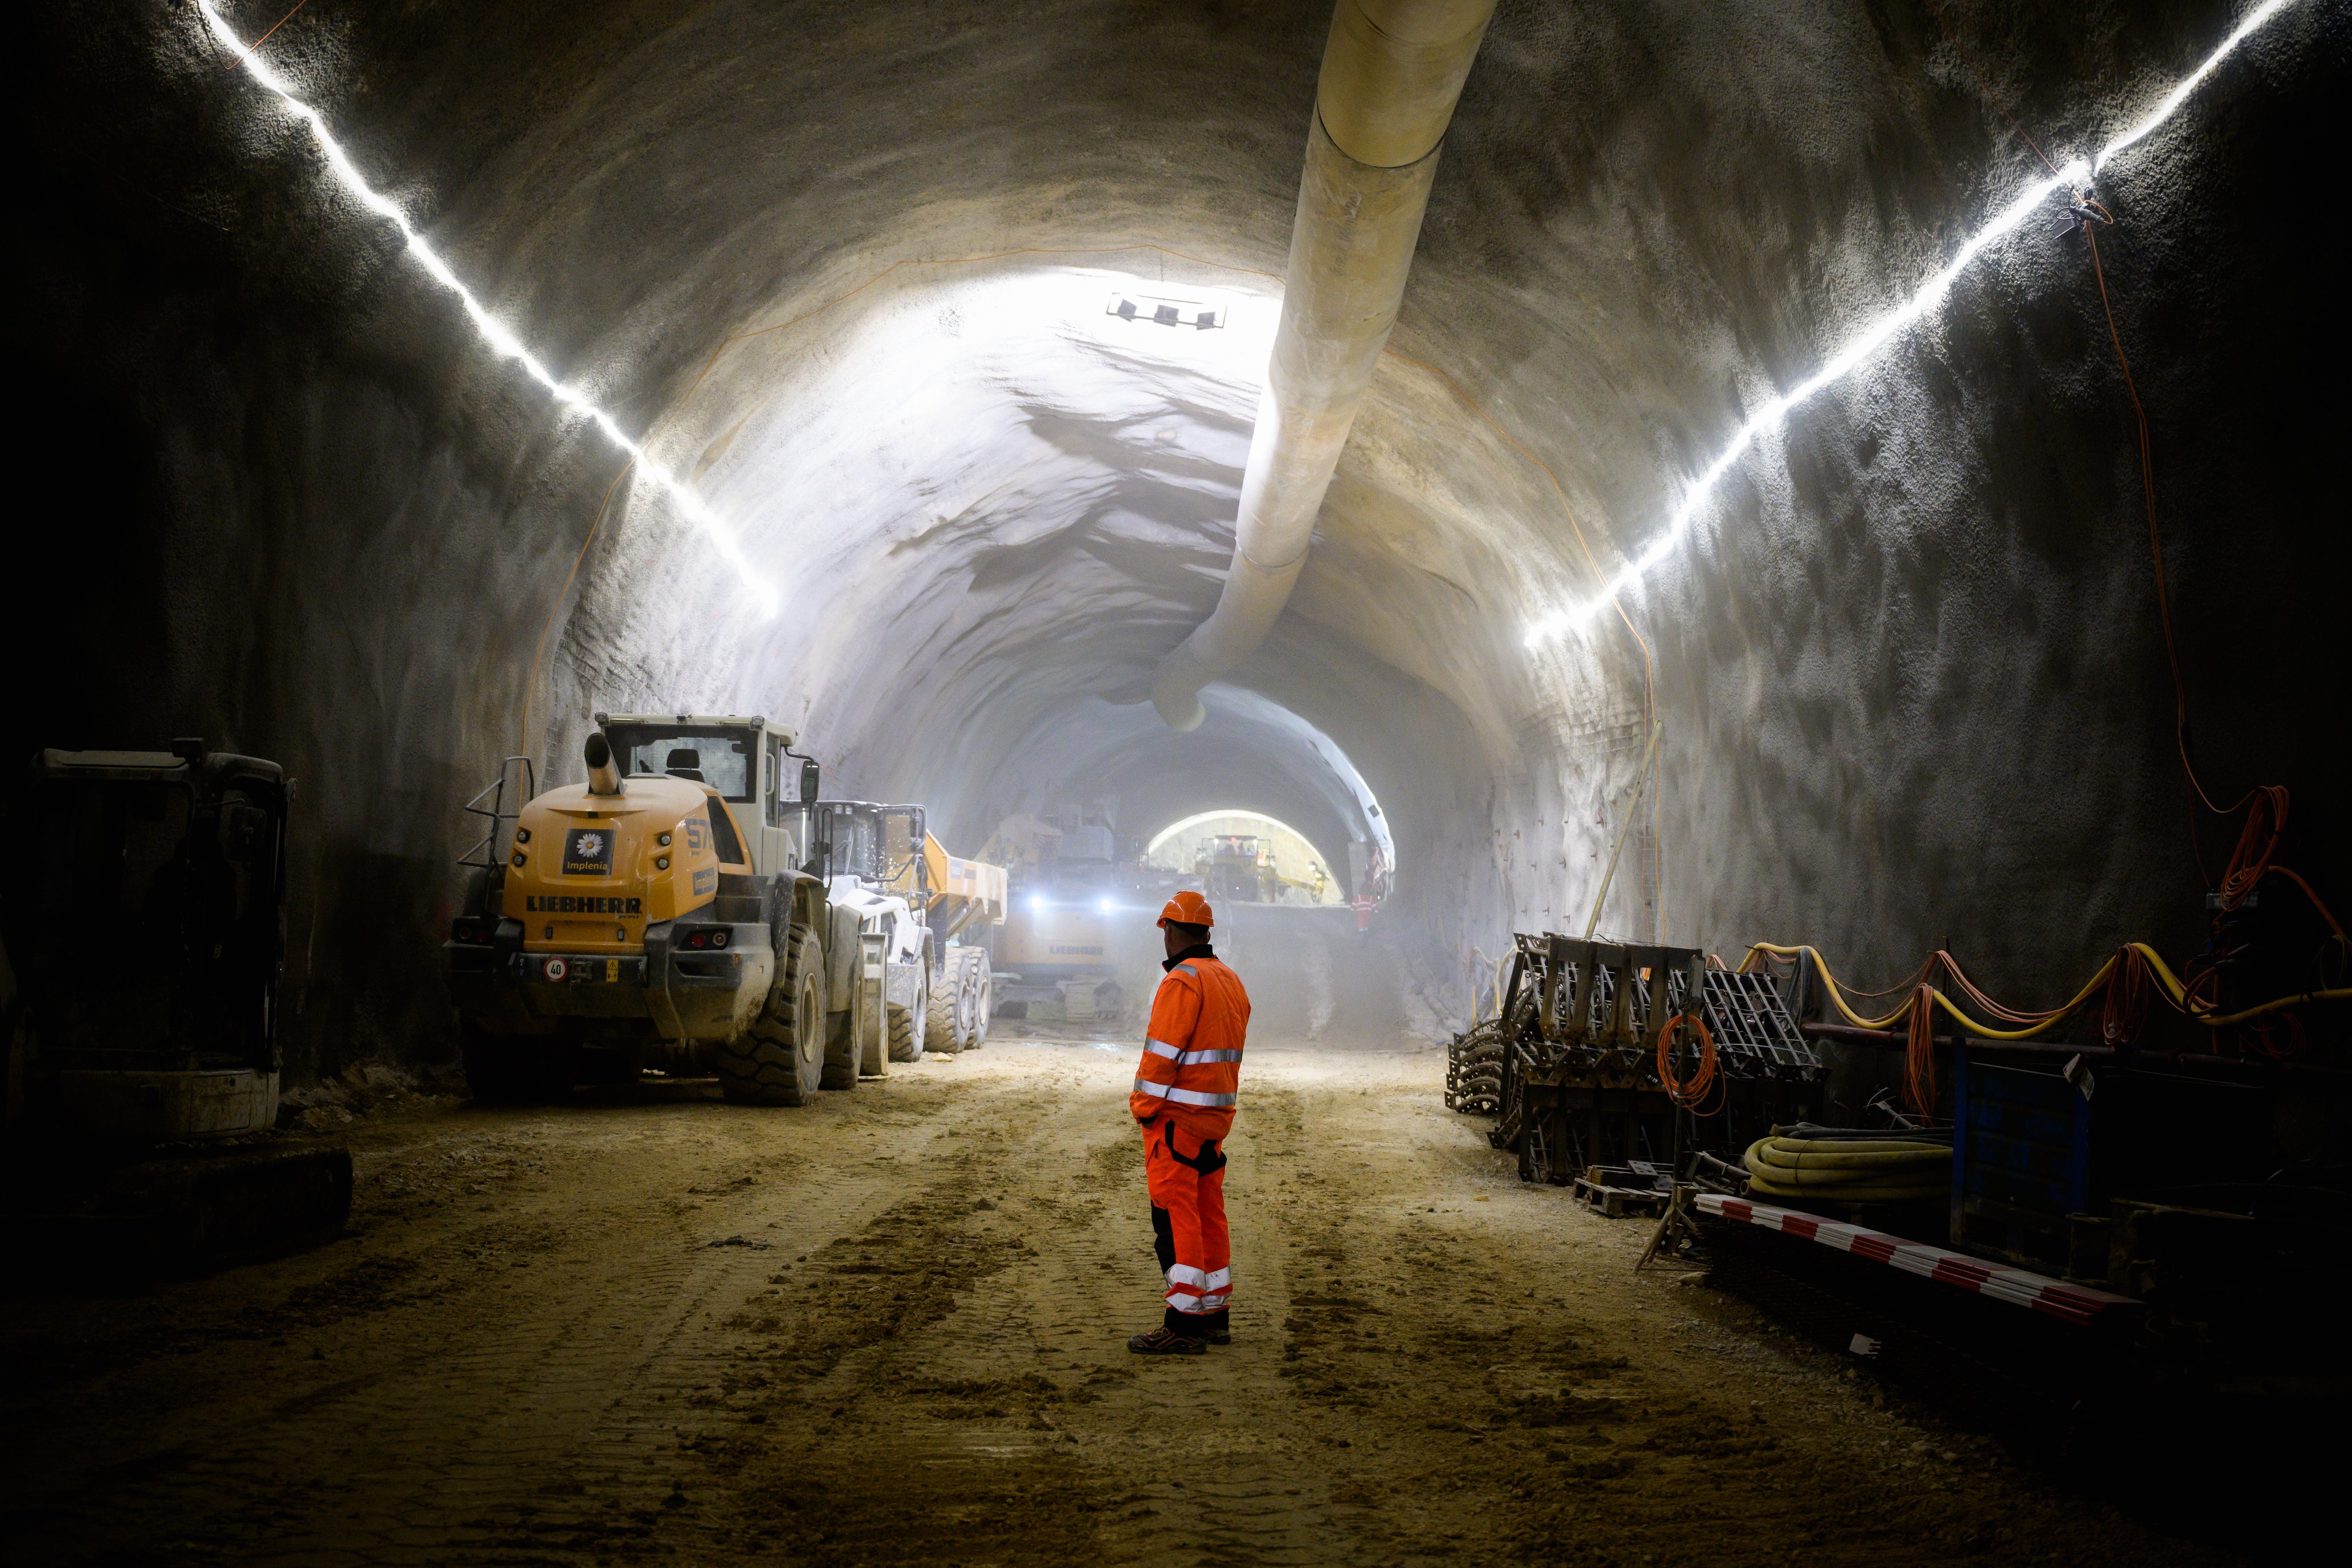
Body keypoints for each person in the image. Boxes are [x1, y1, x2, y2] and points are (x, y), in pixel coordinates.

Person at [1127, 890, 1251, 1354]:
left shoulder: (1182, 981)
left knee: (1177, 1219)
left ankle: (1182, 1322)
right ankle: (1215, 1313)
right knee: (1208, 1214)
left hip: (1176, 1121)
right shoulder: (1229, 980)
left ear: (1172, 932)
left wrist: (1143, 1106)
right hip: (1215, 1122)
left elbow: (1162, 1055)